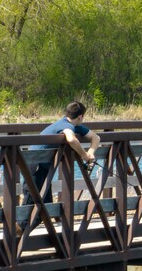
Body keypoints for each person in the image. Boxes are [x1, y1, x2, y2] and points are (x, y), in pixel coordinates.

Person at [17, 101, 100, 236]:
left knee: (46, 206)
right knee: (30, 201)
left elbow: (96, 137)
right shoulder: (66, 126)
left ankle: (20, 237)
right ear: (80, 117)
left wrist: (91, 152)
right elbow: (71, 140)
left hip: (44, 167)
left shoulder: (73, 125)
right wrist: (84, 155)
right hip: (34, 164)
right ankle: (14, 239)